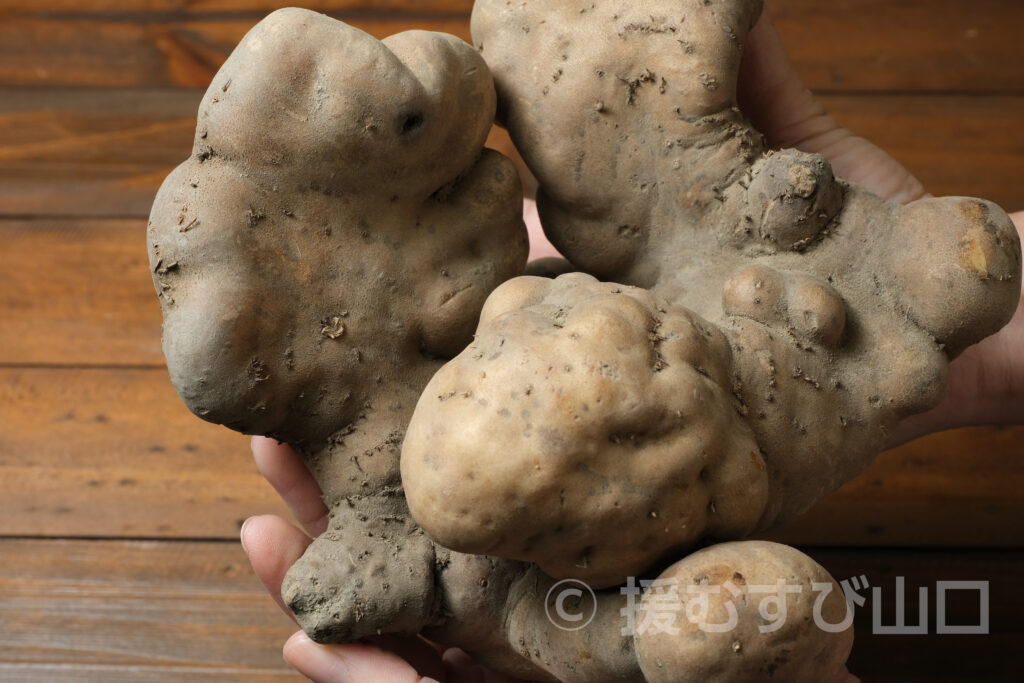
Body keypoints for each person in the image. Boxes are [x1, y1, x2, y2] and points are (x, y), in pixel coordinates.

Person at [238, 10, 1022, 683]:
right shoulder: (540, 592)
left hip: (784, 277)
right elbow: (737, 613)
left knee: (953, 263)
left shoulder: (636, 270)